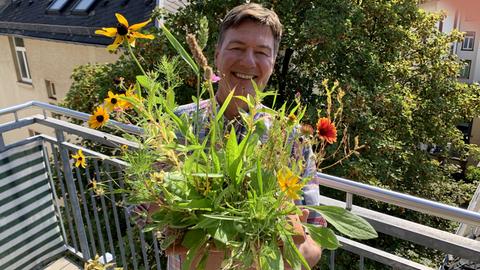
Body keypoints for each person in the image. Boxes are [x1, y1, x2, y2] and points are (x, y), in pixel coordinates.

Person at [135, 3, 324, 269]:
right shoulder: (176, 125)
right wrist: (163, 212)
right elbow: (141, 213)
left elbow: (315, 239)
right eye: (237, 48)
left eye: (261, 52)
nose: (248, 61)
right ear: (216, 55)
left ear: (272, 63)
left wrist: (292, 246)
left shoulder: (292, 138)